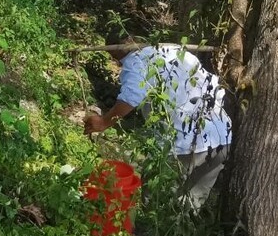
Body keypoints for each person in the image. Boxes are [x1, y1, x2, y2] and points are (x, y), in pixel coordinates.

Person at [84, 43, 233, 209]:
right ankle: (177, 232)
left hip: (185, 144)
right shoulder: (175, 51)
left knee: (155, 202)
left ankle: (146, 233)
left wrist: (103, 122)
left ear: (115, 53)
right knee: (189, 207)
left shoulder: (136, 61)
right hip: (222, 137)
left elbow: (130, 97)